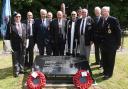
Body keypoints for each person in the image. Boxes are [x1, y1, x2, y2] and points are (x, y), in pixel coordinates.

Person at [100, 6, 121, 79]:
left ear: (108, 12)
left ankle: (109, 74)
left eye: (104, 11)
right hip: (104, 44)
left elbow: (118, 32)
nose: (103, 12)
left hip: (111, 45)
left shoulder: (113, 20)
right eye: (102, 11)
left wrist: (118, 43)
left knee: (110, 60)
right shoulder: (102, 19)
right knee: (104, 59)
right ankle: (105, 71)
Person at [5, 12, 27, 77]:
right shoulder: (10, 26)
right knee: (15, 58)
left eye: (19, 16)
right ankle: (16, 71)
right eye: (16, 17)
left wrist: (27, 43)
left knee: (22, 57)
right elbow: (7, 36)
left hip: (23, 45)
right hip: (15, 45)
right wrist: (8, 46)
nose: (18, 18)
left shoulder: (24, 25)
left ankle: (21, 69)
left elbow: (26, 35)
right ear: (14, 18)